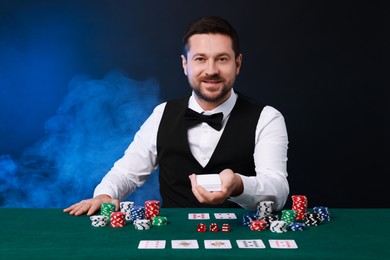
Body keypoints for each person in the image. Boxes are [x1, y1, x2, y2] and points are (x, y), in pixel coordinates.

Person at [64, 16, 289, 216]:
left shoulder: (268, 118)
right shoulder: (162, 114)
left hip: (244, 239)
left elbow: (278, 190)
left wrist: (239, 185)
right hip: (173, 240)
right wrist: (105, 194)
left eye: (222, 59)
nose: (211, 70)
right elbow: (126, 173)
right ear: (185, 65)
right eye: (200, 59)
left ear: (237, 64)